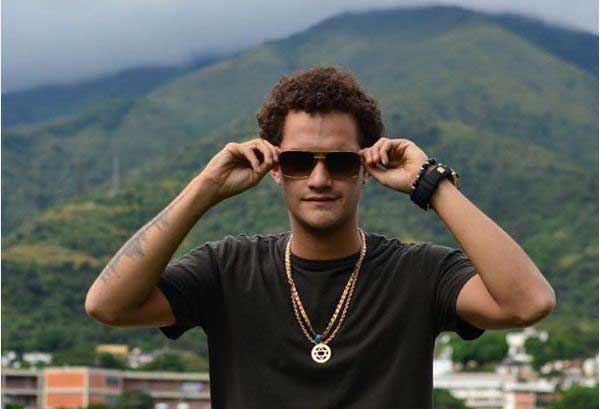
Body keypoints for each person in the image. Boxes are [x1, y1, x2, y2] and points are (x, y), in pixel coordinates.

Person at [85, 66, 556, 408]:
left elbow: (528, 302)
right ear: (273, 168)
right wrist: (204, 188)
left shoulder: (420, 273)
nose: (319, 179)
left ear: (366, 168)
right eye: (298, 161)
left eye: (340, 162)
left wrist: (430, 183)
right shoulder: (227, 270)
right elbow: (108, 305)